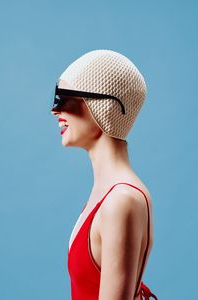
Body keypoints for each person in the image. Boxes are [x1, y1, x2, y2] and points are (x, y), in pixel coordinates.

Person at [50, 49, 158, 300]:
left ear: (104, 107)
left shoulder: (121, 200)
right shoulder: (108, 194)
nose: (55, 111)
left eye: (64, 99)